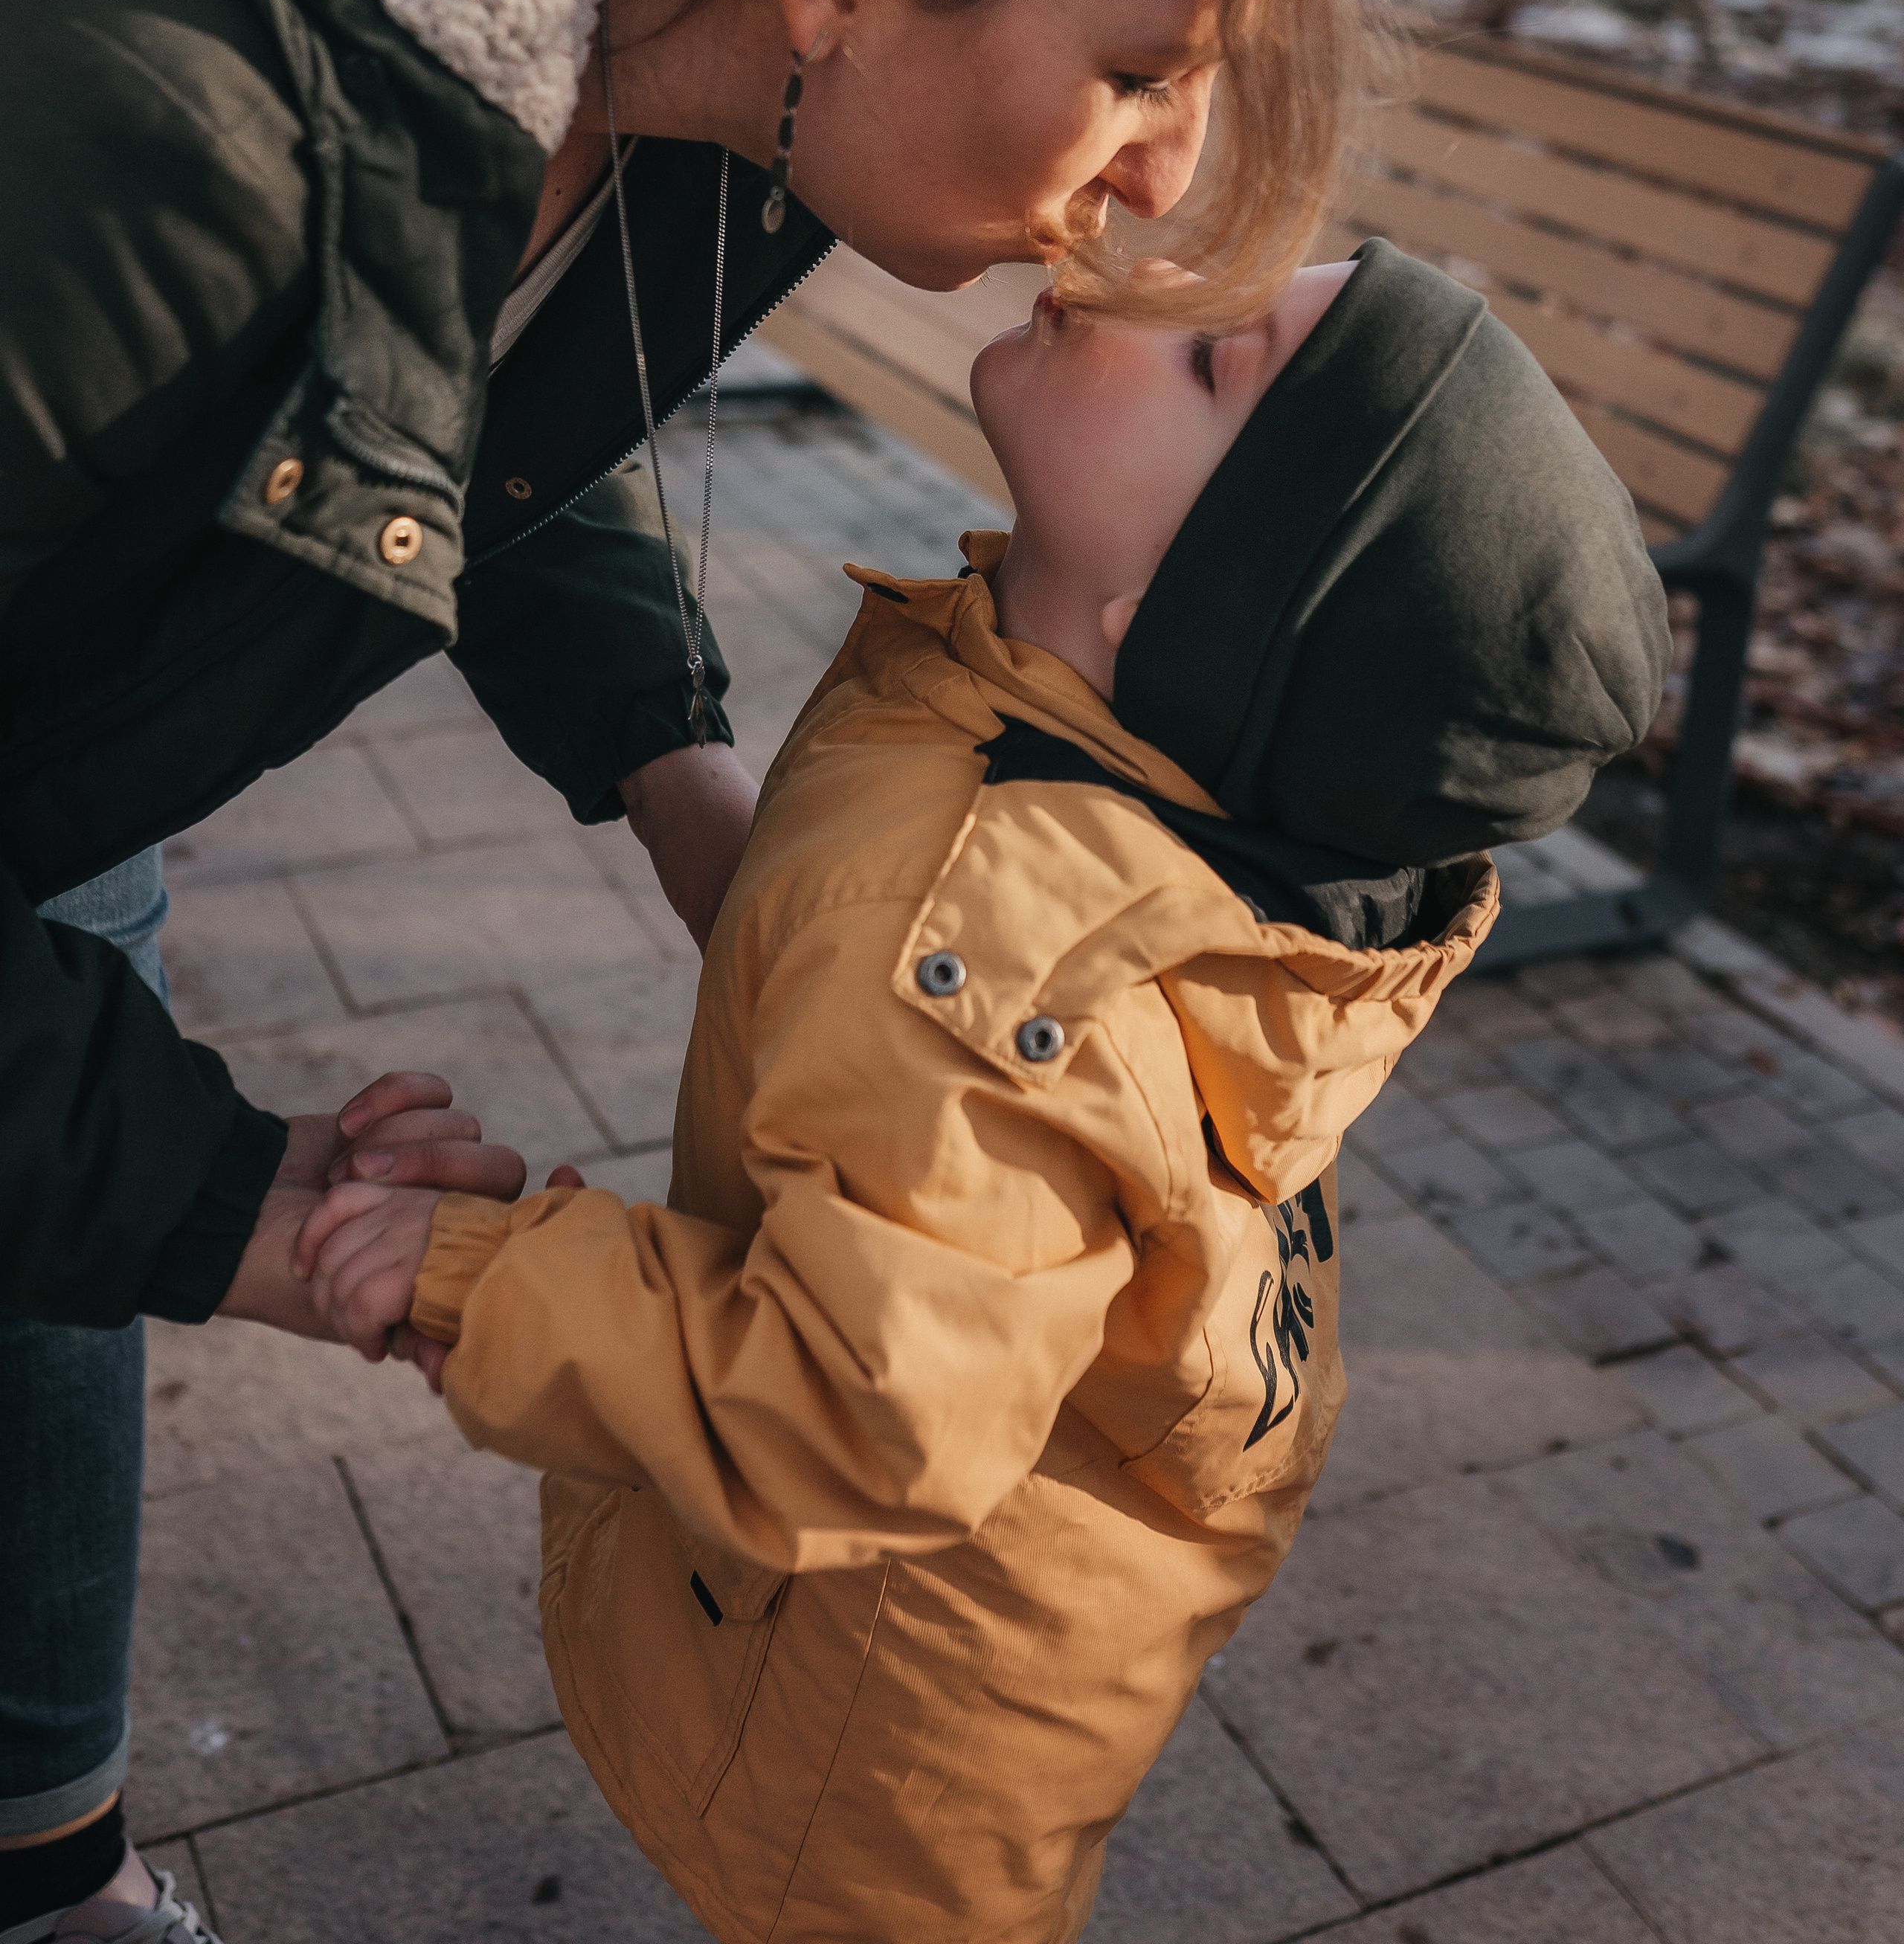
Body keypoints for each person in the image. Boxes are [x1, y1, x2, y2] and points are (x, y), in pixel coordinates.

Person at [3, 0, 1374, 1934]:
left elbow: (492, 359)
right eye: (1140, 64)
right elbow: (354, 251)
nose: (1159, 178)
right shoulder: (149, 139)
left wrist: (689, 797)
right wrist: (241, 1211)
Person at [292, 235, 1670, 1944]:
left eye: (1209, 361)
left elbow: (854, 1415)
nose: (1146, 273)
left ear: (1179, 613)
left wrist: (485, 1273)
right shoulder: (1060, 715)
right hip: (984, 1624)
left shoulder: (998, 961)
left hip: (892, 1741)